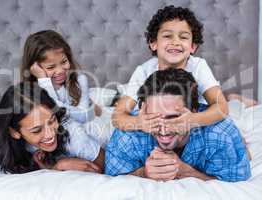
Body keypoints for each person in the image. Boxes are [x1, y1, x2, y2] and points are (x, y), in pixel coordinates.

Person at [105, 68, 251, 182]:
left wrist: (185, 171)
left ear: (193, 111)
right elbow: (112, 181)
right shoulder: (127, 135)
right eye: (153, 117)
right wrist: (143, 173)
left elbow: (235, 186)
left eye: (173, 118)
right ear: (144, 108)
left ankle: (238, 105)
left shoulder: (219, 135)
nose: (163, 129)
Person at [112, 5, 229, 135]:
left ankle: (235, 99)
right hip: (157, 122)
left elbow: (222, 107)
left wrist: (192, 120)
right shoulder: (144, 71)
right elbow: (118, 116)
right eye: (168, 36)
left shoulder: (198, 66)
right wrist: (139, 123)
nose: (175, 42)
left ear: (192, 47)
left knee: (225, 127)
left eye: (183, 37)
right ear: (153, 43)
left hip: (195, 117)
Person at [0, 82, 104, 174]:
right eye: (37, 130)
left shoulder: (75, 137)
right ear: (14, 132)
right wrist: (53, 168)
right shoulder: (9, 145)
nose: (50, 134)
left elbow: (106, 167)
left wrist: (61, 165)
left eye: (52, 120)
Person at [20, 30, 101, 125]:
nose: (60, 71)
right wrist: (43, 80)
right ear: (35, 69)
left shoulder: (80, 80)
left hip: (85, 118)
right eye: (51, 67)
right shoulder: (33, 93)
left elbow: (83, 117)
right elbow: (55, 109)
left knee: (97, 110)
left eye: (64, 62)